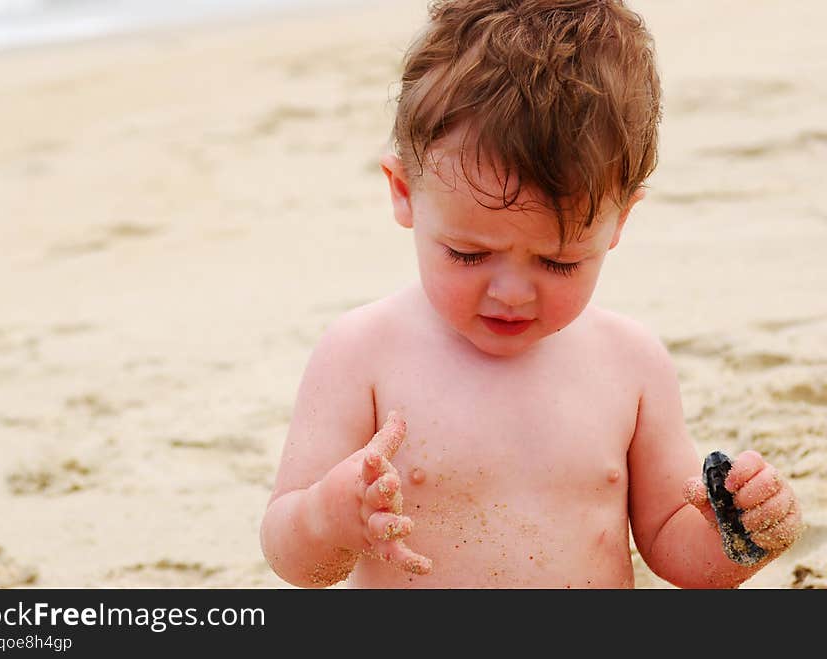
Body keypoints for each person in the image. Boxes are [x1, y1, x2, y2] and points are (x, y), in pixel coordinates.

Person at [258, 0, 803, 588]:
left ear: (620, 220)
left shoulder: (631, 365)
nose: (511, 294)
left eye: (558, 261)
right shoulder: (363, 353)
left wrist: (740, 537)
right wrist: (330, 516)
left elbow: (678, 552)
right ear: (403, 192)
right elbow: (296, 563)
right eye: (468, 254)